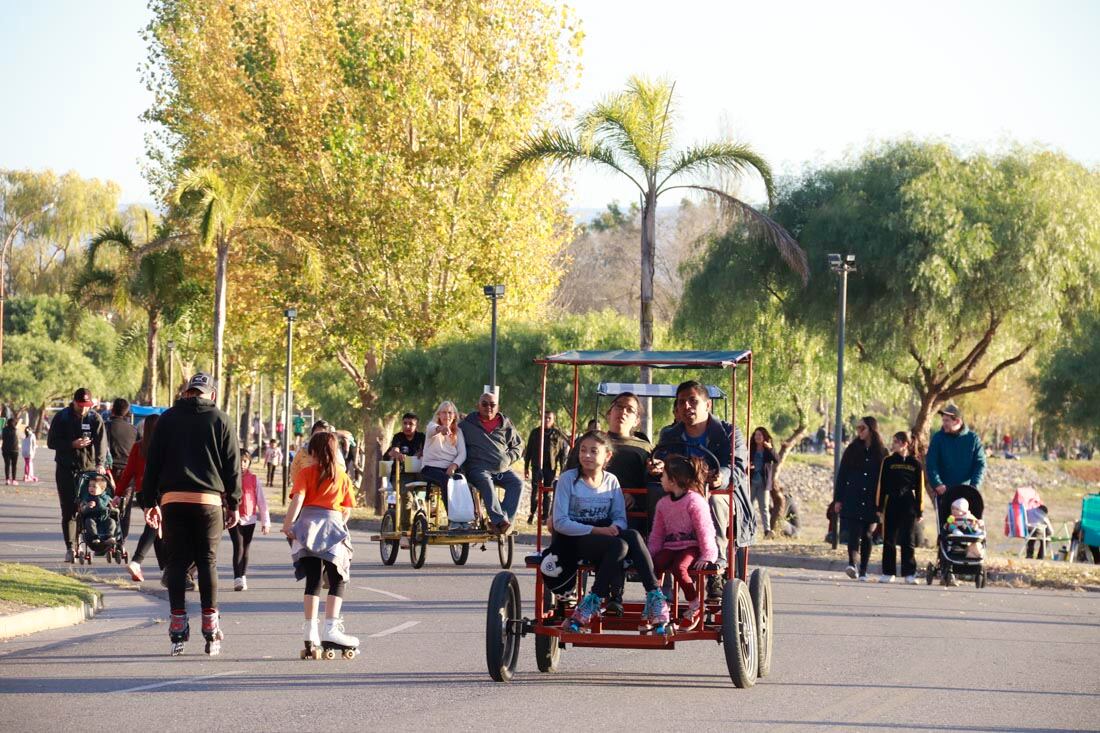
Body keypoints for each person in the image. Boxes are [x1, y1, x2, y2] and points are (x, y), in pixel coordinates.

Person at [140, 373, 241, 656]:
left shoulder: (167, 419)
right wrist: (234, 502)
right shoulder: (221, 419)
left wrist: (149, 502)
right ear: (211, 394)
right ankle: (210, 623)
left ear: (187, 393)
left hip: (173, 501)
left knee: (176, 563)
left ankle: (177, 622)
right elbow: (233, 465)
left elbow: (153, 462)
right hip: (209, 501)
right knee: (207, 560)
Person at [540, 431, 668, 633]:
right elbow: (560, 522)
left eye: (593, 451)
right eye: (583, 450)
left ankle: (655, 596)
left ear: (607, 456)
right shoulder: (567, 479)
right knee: (619, 545)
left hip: (605, 537)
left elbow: (620, 518)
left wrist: (614, 528)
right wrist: (598, 529)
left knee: (632, 536)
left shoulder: (611, 481)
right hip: (574, 539)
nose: (587, 456)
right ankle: (593, 601)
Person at [649, 380, 750, 598]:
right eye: (681, 402)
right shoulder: (670, 435)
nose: (686, 406)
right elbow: (661, 459)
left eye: (692, 401)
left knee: (712, 500)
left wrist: (721, 477)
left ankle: (716, 567)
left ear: (707, 405)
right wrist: (657, 467)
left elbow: (737, 467)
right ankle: (657, 568)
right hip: (679, 497)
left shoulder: (729, 432)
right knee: (658, 497)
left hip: (718, 494)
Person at [283, 430, 359, 658]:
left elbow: (298, 499)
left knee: (313, 580)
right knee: (337, 578)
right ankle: (331, 629)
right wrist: (338, 525)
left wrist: (289, 524)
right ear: (335, 451)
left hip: (307, 527)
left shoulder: (306, 473)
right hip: (332, 526)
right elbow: (347, 509)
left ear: (313, 452)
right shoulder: (342, 476)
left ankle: (310, 631)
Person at [649, 454, 717, 631]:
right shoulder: (663, 504)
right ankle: (657, 603)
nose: (661, 479)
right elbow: (657, 533)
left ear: (673, 480)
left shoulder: (694, 501)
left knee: (680, 568)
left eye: (663, 475)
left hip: (690, 546)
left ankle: (695, 604)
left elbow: (705, 528)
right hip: (670, 546)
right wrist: (650, 553)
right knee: (655, 564)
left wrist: (708, 554)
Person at [47, 388, 108, 563]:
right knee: (68, 509)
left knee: (88, 507)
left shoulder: (94, 418)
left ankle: (84, 543)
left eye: (86, 406)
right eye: (80, 405)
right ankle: (70, 547)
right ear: (74, 402)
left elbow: (102, 443)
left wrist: (100, 464)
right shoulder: (62, 418)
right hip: (66, 469)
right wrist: (71, 444)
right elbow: (51, 442)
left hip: (87, 470)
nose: (83, 409)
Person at [459, 392, 524, 534]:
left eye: (492, 404)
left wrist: (509, 458)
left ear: (498, 407)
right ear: (478, 405)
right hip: (478, 469)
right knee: (486, 482)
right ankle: (499, 521)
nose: (489, 407)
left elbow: (519, 446)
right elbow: (453, 443)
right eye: (484, 404)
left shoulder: (506, 425)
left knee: (518, 483)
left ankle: (503, 521)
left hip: (501, 470)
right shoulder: (466, 425)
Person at [832, 416, 888, 581]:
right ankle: (852, 564)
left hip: (872, 500)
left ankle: (864, 570)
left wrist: (883, 506)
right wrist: (838, 499)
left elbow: (885, 480)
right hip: (853, 497)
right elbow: (842, 475)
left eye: (862, 428)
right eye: (858, 428)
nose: (859, 431)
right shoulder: (852, 449)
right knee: (854, 532)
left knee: (868, 534)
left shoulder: (882, 452)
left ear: (872, 429)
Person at [876, 431, 924, 584]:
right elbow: (881, 485)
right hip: (892, 502)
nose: (893, 444)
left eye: (896, 441)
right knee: (889, 538)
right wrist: (879, 507)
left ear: (905, 444)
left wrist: (919, 509)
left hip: (908, 503)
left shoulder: (915, 463)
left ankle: (909, 573)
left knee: (907, 539)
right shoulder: (888, 461)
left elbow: (920, 488)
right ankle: (888, 572)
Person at [119, 414, 160, 582]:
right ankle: (137, 560)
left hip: (142, 493)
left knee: (157, 528)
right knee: (154, 526)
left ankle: (165, 569)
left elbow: (128, 473)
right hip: (159, 492)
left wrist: (117, 493)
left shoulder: (138, 447)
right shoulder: (164, 446)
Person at [926, 404, 987, 508]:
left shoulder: (973, 439)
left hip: (967, 493)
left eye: (947, 421)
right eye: (943, 420)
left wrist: (974, 486)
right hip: (944, 493)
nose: (943, 423)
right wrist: (937, 484)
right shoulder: (938, 438)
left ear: (957, 421)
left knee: (968, 524)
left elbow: (980, 464)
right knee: (945, 524)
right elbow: (931, 464)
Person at [231, 452, 270, 591]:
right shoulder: (229, 478)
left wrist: (266, 522)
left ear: (249, 463)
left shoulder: (254, 479)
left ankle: (243, 576)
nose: (242, 464)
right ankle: (237, 578)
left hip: (250, 519)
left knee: (246, 549)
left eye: (245, 461)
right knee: (238, 546)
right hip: (234, 518)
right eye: (239, 461)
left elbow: (262, 502)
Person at [421, 401, 467, 513]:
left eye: (450, 413)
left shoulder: (458, 432)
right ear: (439, 415)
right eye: (444, 413)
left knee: (463, 482)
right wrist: (441, 429)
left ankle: (467, 517)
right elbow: (433, 429)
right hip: (430, 468)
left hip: (450, 468)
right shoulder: (432, 426)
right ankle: (453, 518)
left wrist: (454, 465)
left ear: (455, 415)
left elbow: (462, 453)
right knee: (446, 481)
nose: (447, 416)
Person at [524, 410, 568, 524]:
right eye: (545, 418)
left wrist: (563, 469)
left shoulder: (557, 434)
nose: (546, 420)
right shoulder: (535, 433)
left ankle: (545, 517)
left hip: (551, 467)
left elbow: (562, 453)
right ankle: (532, 513)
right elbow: (528, 451)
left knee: (547, 492)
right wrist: (526, 467)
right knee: (535, 490)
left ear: (553, 420)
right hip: (537, 466)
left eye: (549, 418)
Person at [106, 399, 139, 540]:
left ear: (112, 409)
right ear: (127, 412)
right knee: (125, 507)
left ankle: (107, 534)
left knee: (106, 504)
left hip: (110, 471)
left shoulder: (106, 426)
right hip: (128, 472)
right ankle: (121, 539)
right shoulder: (133, 429)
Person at [289, 420, 346, 486]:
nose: (318, 439)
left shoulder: (335, 453)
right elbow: (294, 473)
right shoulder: (302, 452)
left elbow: (341, 472)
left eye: (322, 436)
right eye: (316, 435)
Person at [748, 427, 778, 539]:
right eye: (756, 435)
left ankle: (767, 531)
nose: (757, 437)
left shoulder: (767, 449)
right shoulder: (751, 448)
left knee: (764, 507)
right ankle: (749, 529)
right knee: (749, 506)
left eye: (760, 435)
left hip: (764, 483)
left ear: (764, 436)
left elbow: (776, 459)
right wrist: (748, 467)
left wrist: (770, 449)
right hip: (751, 482)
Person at [2, 418, 18, 485]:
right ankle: (14, 480)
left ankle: (7, 479)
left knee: (7, 465)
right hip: (14, 450)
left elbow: (2, 437)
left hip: (5, 449)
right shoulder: (15, 430)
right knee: (14, 465)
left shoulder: (4, 429)